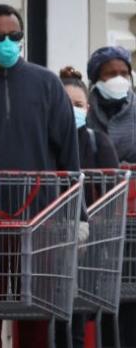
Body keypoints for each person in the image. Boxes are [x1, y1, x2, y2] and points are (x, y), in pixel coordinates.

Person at [0, 4, 81, 348]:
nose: (8, 42)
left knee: (37, 311)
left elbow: (68, 151)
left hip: (40, 218)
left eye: (15, 36)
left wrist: (77, 213)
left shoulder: (47, 84)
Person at [56, 66, 120, 348]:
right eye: (66, 105)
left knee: (78, 317)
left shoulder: (98, 142)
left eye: (78, 105)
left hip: (89, 243)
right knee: (53, 316)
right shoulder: (47, 141)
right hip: (50, 241)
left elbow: (113, 193)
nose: (73, 111)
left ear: (88, 108)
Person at [83, 46, 136, 348]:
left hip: (131, 220)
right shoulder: (83, 112)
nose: (118, 79)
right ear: (96, 80)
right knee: (97, 290)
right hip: (94, 216)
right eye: (110, 74)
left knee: (129, 291)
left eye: (123, 73)